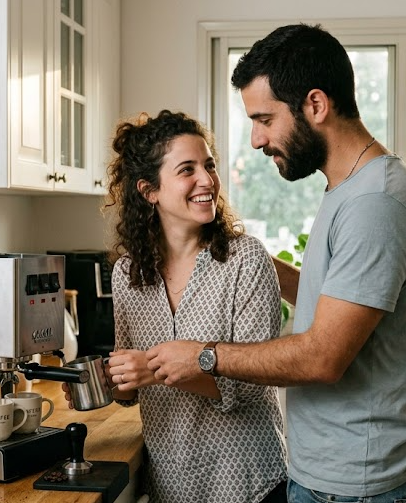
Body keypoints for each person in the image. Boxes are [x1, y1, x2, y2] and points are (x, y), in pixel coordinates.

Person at [139, 24, 406, 503]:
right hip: (331, 476)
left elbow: (323, 357)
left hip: (361, 485)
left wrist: (203, 355)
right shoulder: (348, 189)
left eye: (264, 119)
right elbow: (340, 303)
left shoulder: (376, 203)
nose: (257, 140)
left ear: (315, 105)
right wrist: (256, 262)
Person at [95, 110, 288, 503]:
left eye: (209, 165)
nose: (207, 180)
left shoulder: (246, 260)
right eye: (187, 169)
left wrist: (152, 371)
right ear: (150, 191)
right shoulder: (128, 274)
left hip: (249, 485)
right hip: (172, 484)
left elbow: (254, 385)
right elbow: (131, 391)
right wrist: (110, 381)